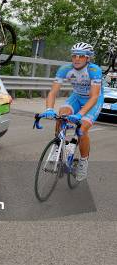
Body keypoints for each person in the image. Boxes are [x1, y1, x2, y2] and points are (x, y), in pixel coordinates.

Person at [37, 42, 104, 180]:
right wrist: (49, 109)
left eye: (81, 56)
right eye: (74, 56)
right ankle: (58, 147)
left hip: (93, 100)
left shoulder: (94, 70)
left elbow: (94, 96)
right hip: (76, 97)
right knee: (61, 116)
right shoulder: (65, 69)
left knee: (82, 129)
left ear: (88, 58)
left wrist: (80, 115)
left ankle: (83, 162)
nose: (77, 59)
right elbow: (53, 92)